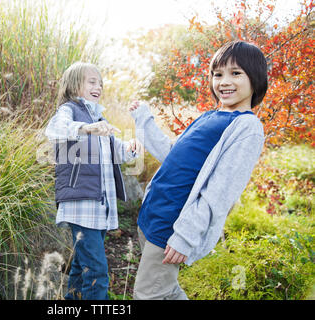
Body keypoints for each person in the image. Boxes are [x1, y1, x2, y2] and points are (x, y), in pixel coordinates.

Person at [130, 41, 268, 300]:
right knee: (166, 291)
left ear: (256, 78)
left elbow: (221, 190)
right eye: (218, 74)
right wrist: (144, 120)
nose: (224, 81)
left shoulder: (247, 127)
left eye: (235, 73)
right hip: (153, 213)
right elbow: (171, 154)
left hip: (172, 225)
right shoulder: (208, 116)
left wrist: (185, 236)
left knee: (148, 294)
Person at [45, 61, 142, 300]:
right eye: (92, 81)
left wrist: (130, 148)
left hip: (100, 206)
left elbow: (114, 150)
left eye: (100, 82)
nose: (98, 86)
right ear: (74, 84)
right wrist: (87, 129)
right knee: (97, 270)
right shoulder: (68, 110)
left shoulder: (99, 116)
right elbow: (55, 130)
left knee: (82, 265)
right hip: (81, 203)